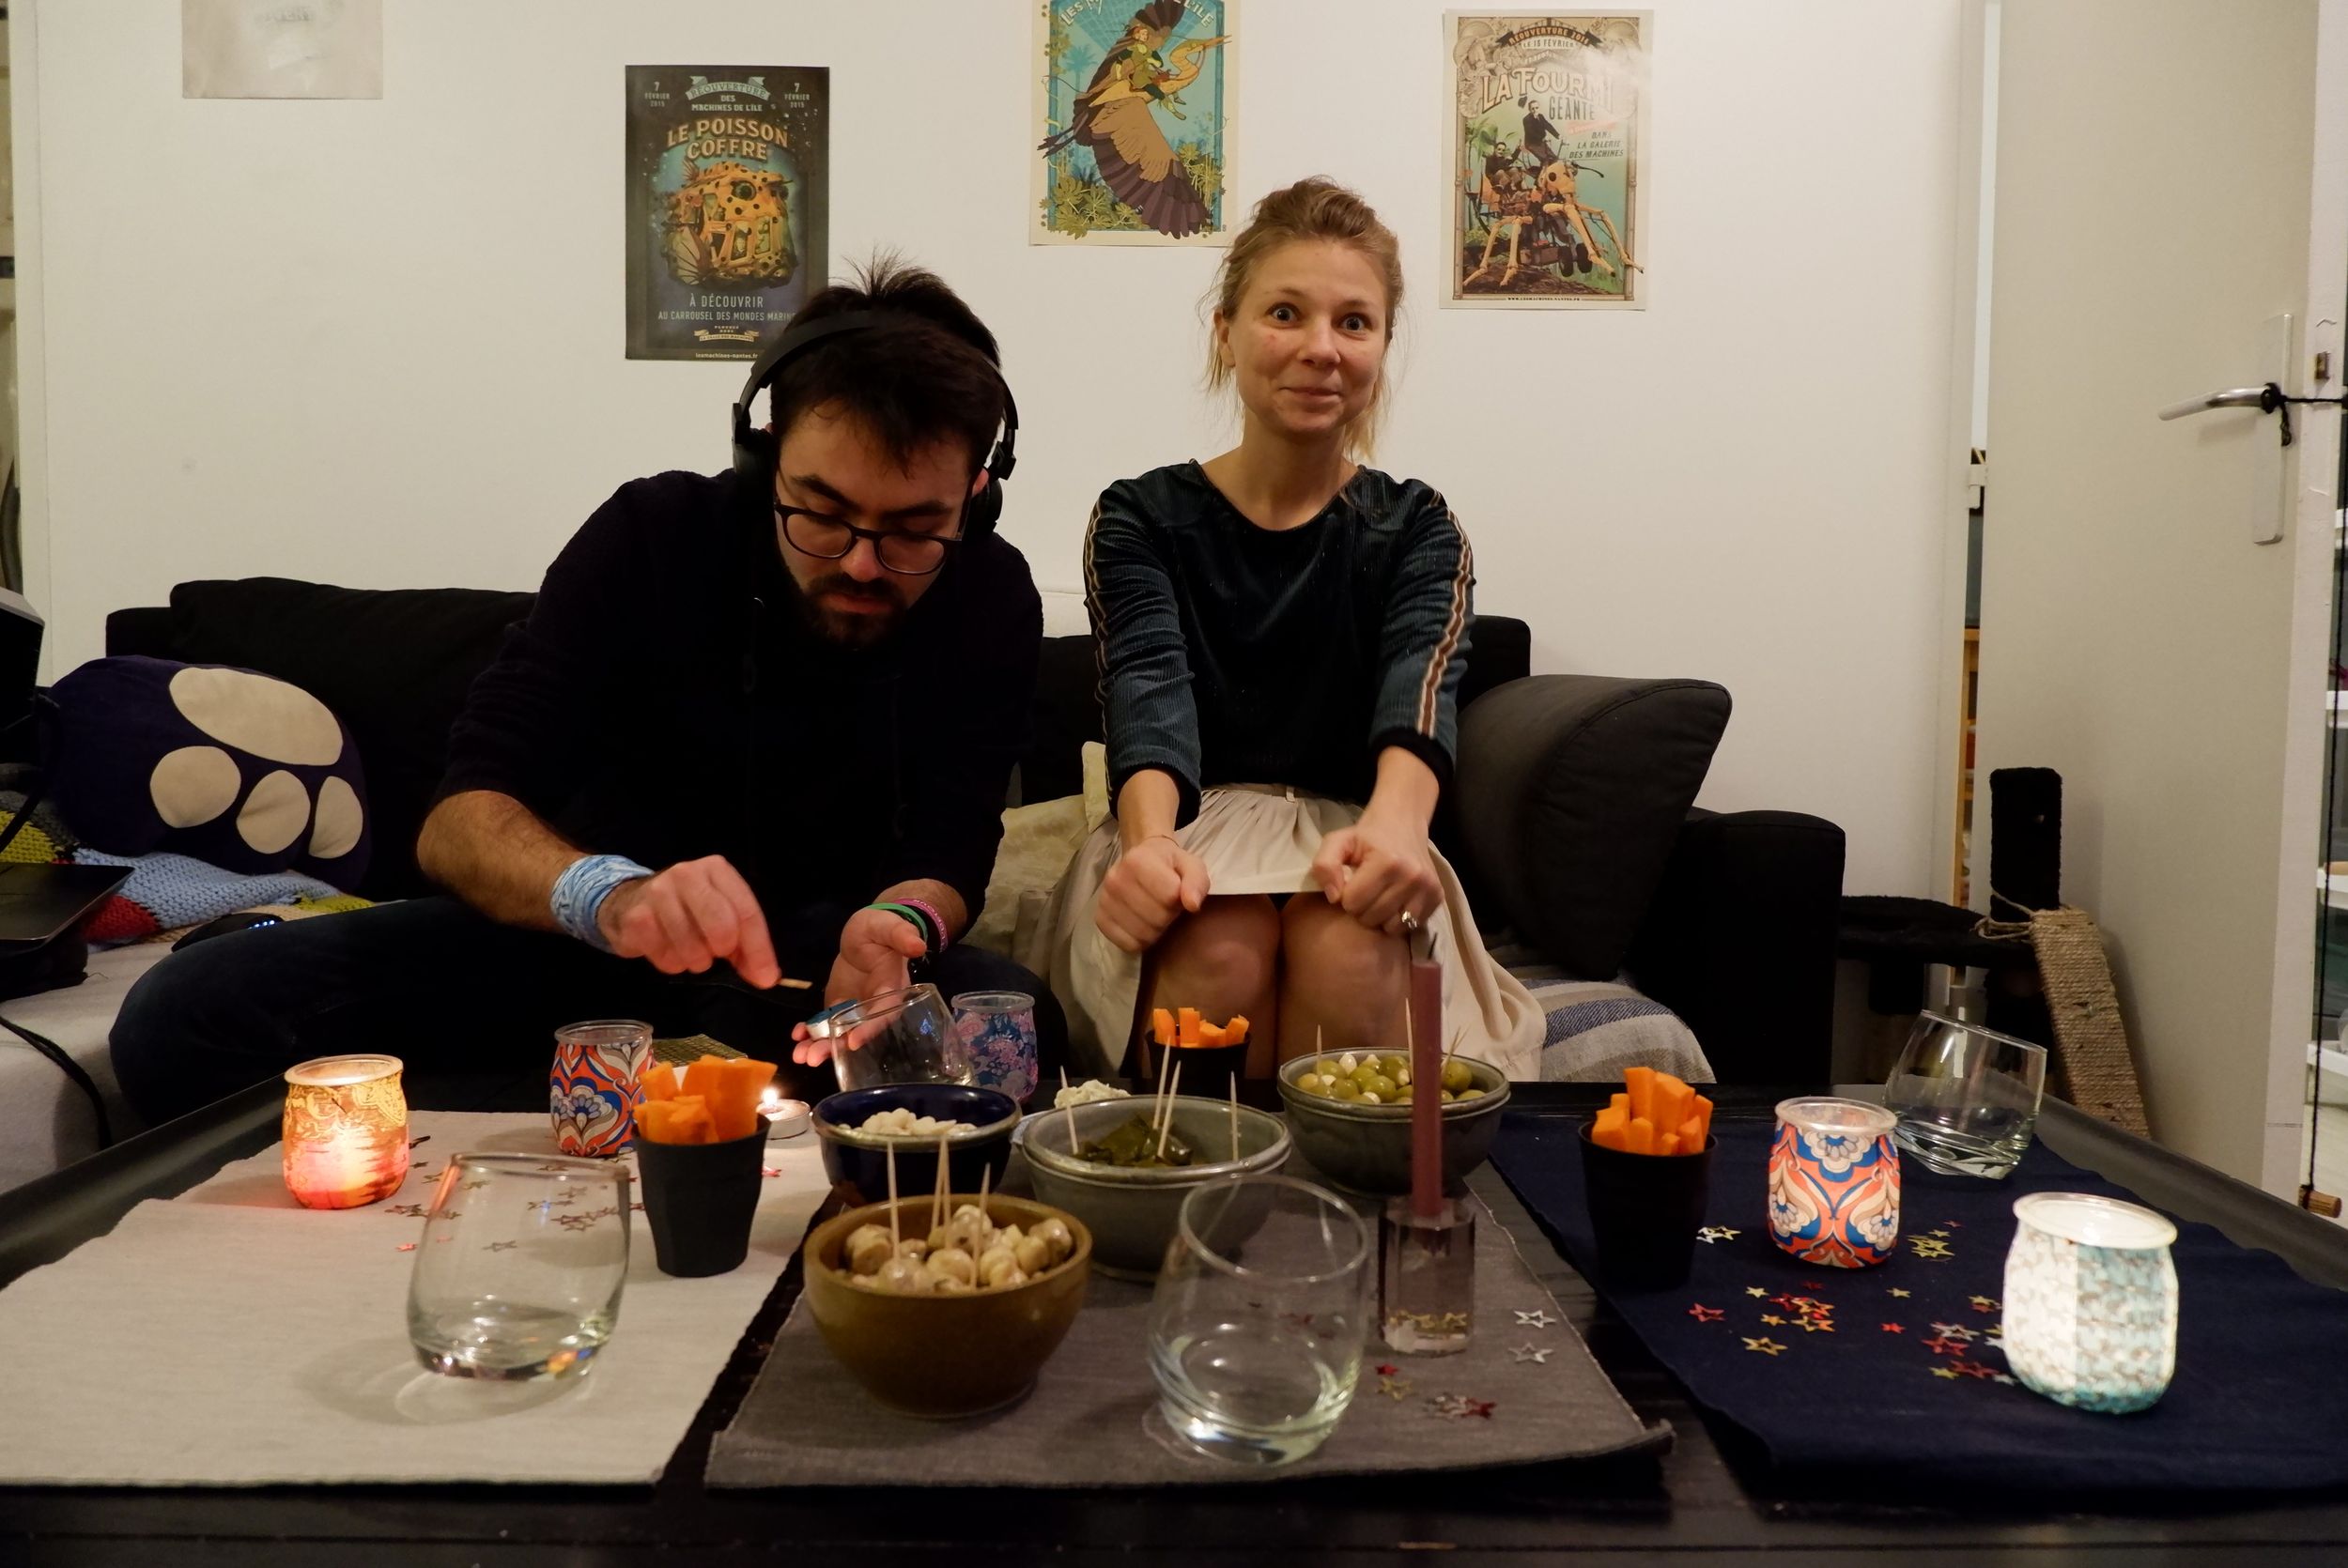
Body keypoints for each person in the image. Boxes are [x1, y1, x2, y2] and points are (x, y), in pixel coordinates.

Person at [110, 259, 1060, 1119]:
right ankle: (614, 1128)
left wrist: (902, 923)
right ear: (762, 454)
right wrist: (613, 896)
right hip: (575, 945)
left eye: (913, 530)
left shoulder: (990, 593)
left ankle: (607, 1118)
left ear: (977, 496)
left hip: (825, 977)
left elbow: (953, 843)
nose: (860, 562)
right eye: (821, 510)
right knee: (184, 1013)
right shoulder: (650, 534)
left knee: (1019, 1021)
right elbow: (459, 822)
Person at [1042, 177, 1543, 1084]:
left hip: (1355, 836)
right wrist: (1149, 847)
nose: (1321, 349)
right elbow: (1147, 688)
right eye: (1285, 313)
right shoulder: (1140, 515)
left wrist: (1397, 832)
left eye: (1354, 323)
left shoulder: (1417, 525)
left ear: (1382, 346)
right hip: (1186, 826)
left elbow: (1421, 686)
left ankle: (1343, 1177)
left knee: (1349, 951)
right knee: (1217, 949)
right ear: (1225, 331)